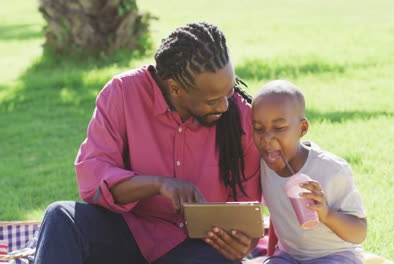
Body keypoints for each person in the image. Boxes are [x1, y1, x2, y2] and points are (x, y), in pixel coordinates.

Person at [33, 22, 262, 264]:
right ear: (176, 88)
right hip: (129, 232)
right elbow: (93, 177)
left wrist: (243, 243)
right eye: (212, 100)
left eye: (228, 93)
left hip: (196, 248)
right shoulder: (122, 93)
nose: (225, 106)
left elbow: (247, 212)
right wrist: (158, 184)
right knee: (60, 217)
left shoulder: (239, 116)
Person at [251, 80, 367, 264]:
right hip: (288, 257)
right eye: (258, 128)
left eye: (279, 128)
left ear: (302, 129)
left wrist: (326, 214)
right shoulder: (262, 166)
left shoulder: (332, 170)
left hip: (334, 256)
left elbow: (359, 232)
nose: (266, 138)